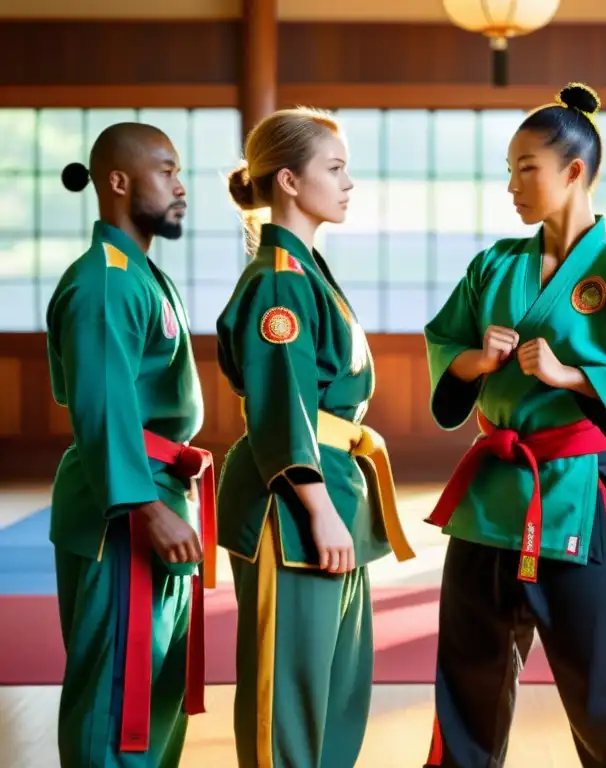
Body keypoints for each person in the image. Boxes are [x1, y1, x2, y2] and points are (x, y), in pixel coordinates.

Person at [421, 82, 606, 768]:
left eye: (526, 168)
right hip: (490, 493)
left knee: (604, 682)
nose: (512, 184)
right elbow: (444, 339)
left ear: (574, 172)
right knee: (467, 677)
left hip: (575, 492)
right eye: (508, 170)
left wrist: (573, 376)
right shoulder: (493, 267)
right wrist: (474, 362)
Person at [215, 106, 415, 768]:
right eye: (335, 168)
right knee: (290, 691)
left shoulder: (307, 273)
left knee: (336, 685)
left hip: (334, 490)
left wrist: (336, 505)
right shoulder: (278, 280)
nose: (349, 182)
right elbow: (280, 407)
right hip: (295, 503)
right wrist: (319, 507)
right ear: (291, 182)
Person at [45, 123, 217, 766]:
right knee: (118, 692)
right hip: (124, 508)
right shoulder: (105, 282)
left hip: (159, 490)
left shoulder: (138, 274)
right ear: (118, 182)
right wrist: (144, 507)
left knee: (156, 684)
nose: (181, 187)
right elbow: (101, 408)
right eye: (166, 172)